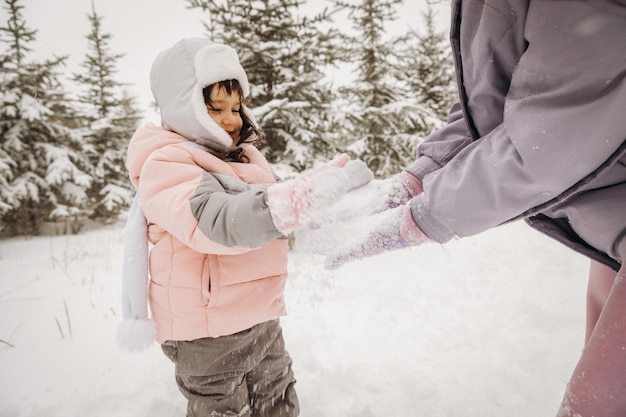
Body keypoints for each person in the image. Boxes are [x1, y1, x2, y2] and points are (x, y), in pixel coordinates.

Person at [322, 1, 626, 416]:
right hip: (613, 225)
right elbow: (498, 99)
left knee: (594, 406)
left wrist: (420, 216)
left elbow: (549, 136)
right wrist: (416, 178)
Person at [116, 38, 372, 417]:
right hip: (207, 334)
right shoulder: (168, 164)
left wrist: (326, 193)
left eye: (236, 107)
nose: (232, 120)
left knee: (279, 401)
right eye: (215, 109)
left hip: (261, 315)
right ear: (183, 108)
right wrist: (293, 201)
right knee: (224, 410)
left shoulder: (246, 158)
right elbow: (218, 221)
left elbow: (273, 209)